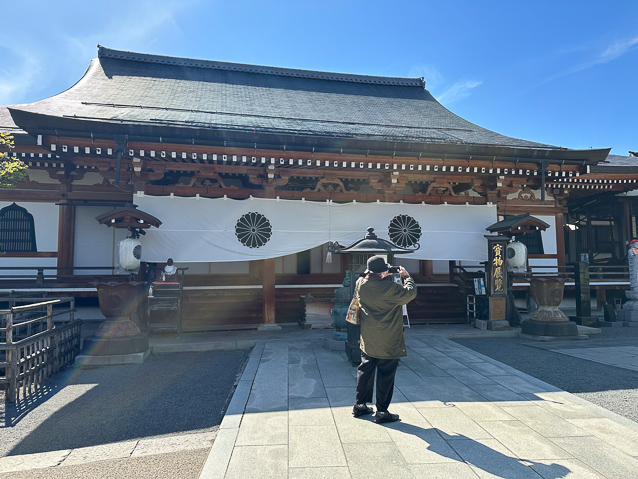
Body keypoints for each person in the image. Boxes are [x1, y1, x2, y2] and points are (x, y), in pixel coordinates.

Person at [352, 255, 417, 424]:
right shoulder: (391, 288)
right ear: (383, 272)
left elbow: (369, 282)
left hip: (368, 337)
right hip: (388, 339)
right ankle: (381, 411)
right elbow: (410, 293)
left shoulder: (360, 284)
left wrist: (380, 275)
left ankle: (360, 405)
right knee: (385, 374)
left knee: (365, 370)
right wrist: (406, 277)